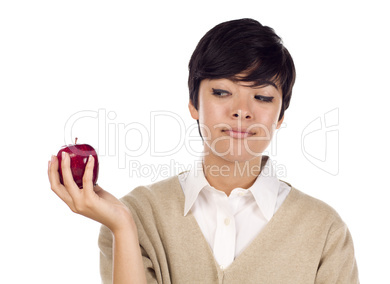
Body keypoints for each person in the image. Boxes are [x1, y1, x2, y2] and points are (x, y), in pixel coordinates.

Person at [48, 18, 359, 283]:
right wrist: (122, 226)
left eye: (262, 97)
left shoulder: (325, 231)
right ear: (193, 104)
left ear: (280, 116)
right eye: (222, 92)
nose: (241, 111)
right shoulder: (137, 216)